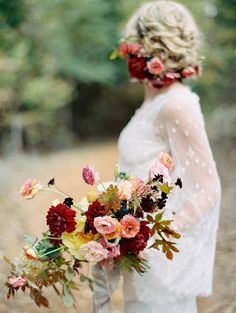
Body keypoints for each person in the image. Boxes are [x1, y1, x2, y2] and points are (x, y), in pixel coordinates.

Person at [92, 1, 221, 312]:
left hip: (158, 263)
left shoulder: (177, 105)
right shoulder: (154, 102)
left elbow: (208, 188)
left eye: (131, 47)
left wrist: (152, 238)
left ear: (149, 51)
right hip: (138, 253)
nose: (127, 54)